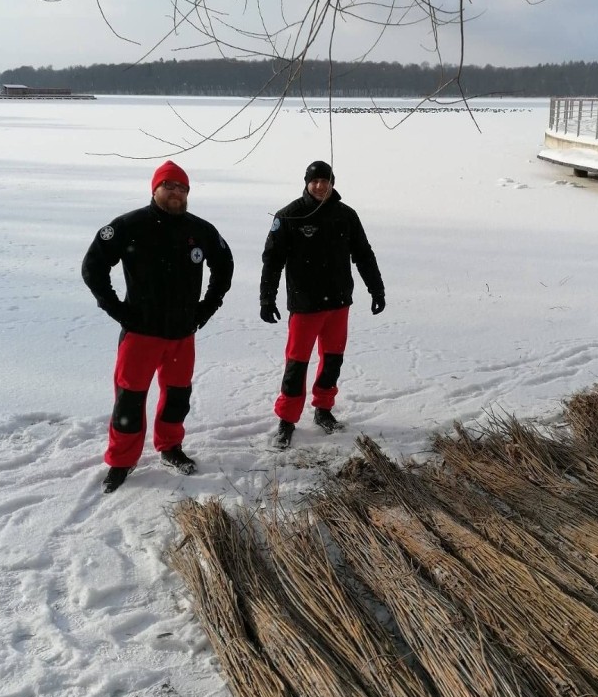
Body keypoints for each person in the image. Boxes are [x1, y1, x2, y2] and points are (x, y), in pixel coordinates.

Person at [82, 161, 234, 493]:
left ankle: (170, 446)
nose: (177, 193)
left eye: (183, 188)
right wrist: (117, 308)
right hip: (141, 334)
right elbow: (93, 267)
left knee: (178, 396)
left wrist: (207, 308)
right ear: (155, 189)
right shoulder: (129, 225)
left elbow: (224, 266)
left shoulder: (200, 230)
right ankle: (121, 461)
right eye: (170, 186)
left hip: (182, 333)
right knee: (129, 401)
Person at [259, 159, 385, 449]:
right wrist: (267, 298)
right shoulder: (290, 216)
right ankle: (287, 420)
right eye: (314, 180)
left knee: (332, 359)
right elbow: (272, 261)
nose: (319, 186)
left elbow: (364, 254)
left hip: (339, 303)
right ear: (306, 182)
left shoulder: (346, 215)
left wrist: (376, 290)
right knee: (296, 364)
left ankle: (323, 409)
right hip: (305, 305)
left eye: (325, 180)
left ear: (332, 183)